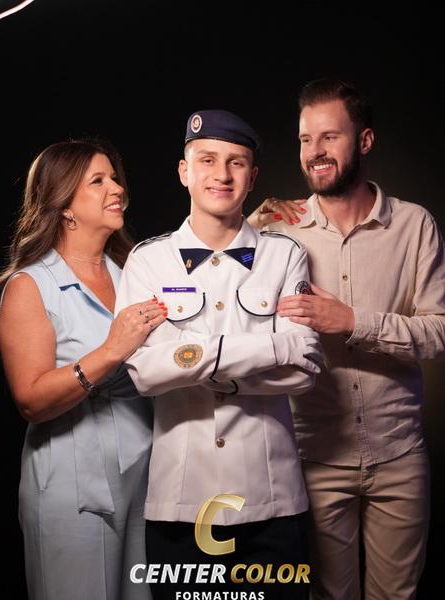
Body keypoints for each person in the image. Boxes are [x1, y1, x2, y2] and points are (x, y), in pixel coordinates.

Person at [248, 78, 445, 600]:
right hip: (313, 457)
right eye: (305, 139)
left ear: (365, 140)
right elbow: (228, 299)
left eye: (329, 137)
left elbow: (440, 331)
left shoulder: (415, 225)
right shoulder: (276, 229)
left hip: (399, 455)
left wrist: (353, 321)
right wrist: (250, 221)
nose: (314, 151)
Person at [115, 109, 323, 600]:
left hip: (272, 500)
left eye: (236, 162)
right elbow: (143, 371)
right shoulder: (147, 261)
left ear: (252, 176)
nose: (222, 174)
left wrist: (194, 363)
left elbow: (305, 367)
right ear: (184, 172)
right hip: (180, 504)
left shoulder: (285, 255)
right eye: (207, 160)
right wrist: (267, 347)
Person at [0, 139, 167, 600]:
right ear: (65, 205)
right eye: (98, 180)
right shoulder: (30, 286)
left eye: (115, 178)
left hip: (147, 478)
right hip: (71, 488)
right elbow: (31, 400)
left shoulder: (135, 273)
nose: (117, 188)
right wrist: (110, 351)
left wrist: (253, 224)